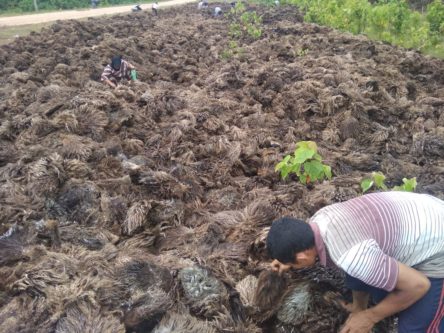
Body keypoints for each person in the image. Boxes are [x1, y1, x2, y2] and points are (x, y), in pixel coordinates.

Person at [266, 191, 444, 333]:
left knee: (415, 328)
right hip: (421, 213)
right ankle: (361, 306)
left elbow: (419, 285)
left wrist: (370, 317)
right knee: (380, 289)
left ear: (302, 257)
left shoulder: (353, 254)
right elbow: (354, 264)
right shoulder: (320, 220)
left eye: (293, 264)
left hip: (438, 247)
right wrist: (360, 308)